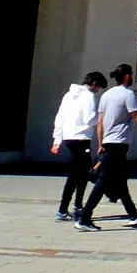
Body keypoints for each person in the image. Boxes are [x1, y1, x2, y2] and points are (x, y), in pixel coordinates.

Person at [74, 64, 137, 232]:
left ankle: (133, 214)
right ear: (127, 76)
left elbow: (100, 122)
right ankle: (84, 218)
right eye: (131, 74)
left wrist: (101, 143)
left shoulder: (106, 95)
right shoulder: (128, 95)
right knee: (104, 180)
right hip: (118, 144)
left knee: (120, 179)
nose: (132, 77)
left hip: (108, 142)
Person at [50, 71, 107, 221]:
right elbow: (90, 119)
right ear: (94, 84)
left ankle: (73, 207)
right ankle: (71, 208)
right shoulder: (88, 96)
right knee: (79, 174)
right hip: (82, 138)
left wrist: (57, 140)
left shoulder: (68, 95)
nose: (97, 91)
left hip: (69, 138)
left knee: (78, 172)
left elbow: (60, 117)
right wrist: (102, 119)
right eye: (98, 88)